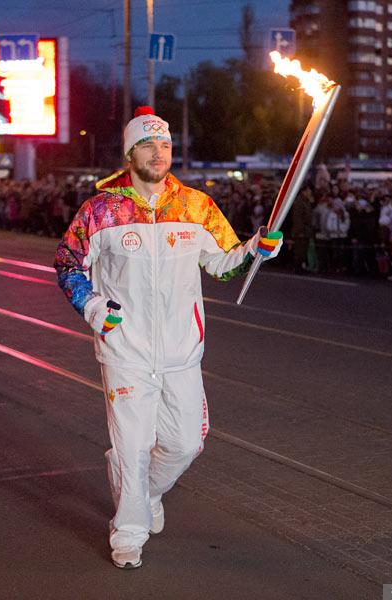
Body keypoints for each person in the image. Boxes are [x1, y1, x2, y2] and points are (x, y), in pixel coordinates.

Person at [53, 106, 282, 569]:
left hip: (181, 351)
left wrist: (257, 248)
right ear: (129, 152)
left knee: (185, 444)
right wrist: (95, 309)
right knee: (133, 445)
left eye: (165, 145)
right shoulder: (101, 210)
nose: (158, 154)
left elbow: (224, 263)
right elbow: (67, 263)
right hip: (126, 350)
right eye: (148, 145)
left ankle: (146, 491)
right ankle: (129, 532)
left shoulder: (195, 206)